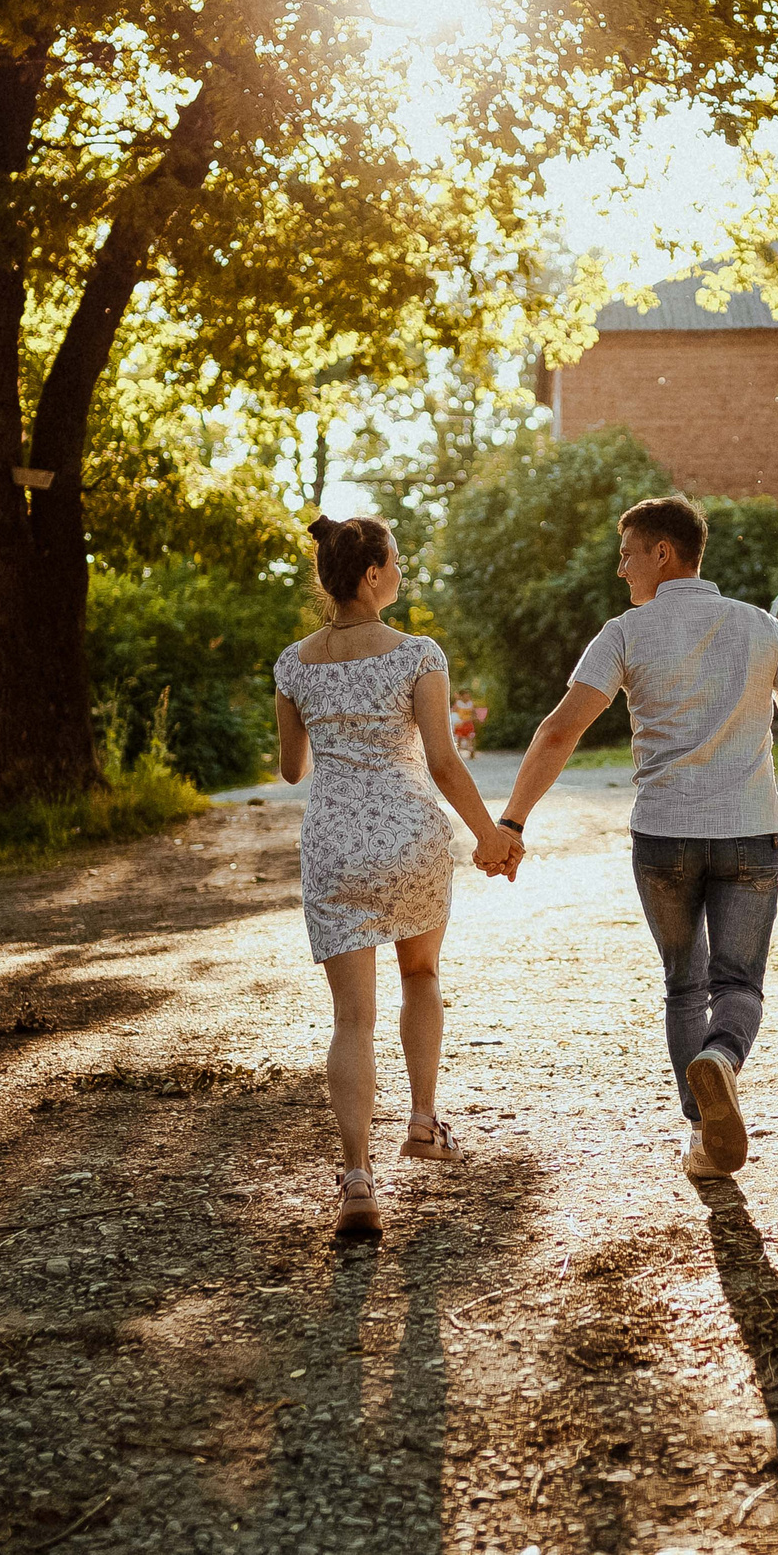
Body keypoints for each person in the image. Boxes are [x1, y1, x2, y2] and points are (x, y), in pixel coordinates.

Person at [493, 495, 778, 1177]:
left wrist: (513, 820)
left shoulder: (624, 633)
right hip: (749, 833)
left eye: (626, 554)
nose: (621, 571)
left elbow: (560, 729)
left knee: (685, 984)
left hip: (663, 837)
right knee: (738, 983)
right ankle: (721, 1059)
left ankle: (706, 1131)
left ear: (662, 553)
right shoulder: (762, 627)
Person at [274, 514, 524, 1234]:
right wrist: (492, 836)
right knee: (420, 974)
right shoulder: (418, 654)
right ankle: (421, 1120)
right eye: (398, 558)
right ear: (373, 573)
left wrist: (334, 730)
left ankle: (356, 1178)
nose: (403, 568)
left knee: (352, 1016)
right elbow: (443, 761)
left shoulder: (294, 663)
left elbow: (293, 769)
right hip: (411, 837)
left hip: (334, 845)